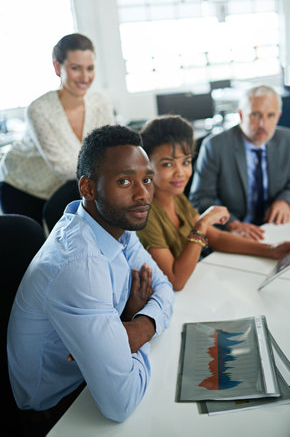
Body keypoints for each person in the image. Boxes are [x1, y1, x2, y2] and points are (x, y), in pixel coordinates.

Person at [7, 125, 174, 435]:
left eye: (147, 179)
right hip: (58, 408)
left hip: (89, 379)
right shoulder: (77, 263)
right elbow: (120, 405)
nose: (142, 194)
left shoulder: (119, 225)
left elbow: (164, 287)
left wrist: (141, 326)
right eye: (125, 181)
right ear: (88, 188)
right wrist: (129, 327)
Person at [137, 115, 290, 291]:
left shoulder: (174, 196)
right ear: (146, 165)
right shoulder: (145, 214)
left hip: (197, 284)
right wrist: (203, 223)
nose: (180, 173)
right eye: (167, 164)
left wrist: (272, 249)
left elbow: (216, 237)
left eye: (186, 162)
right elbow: (176, 280)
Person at [0, 33, 113, 225]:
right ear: (57, 67)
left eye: (90, 68)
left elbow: (110, 147)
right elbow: (63, 168)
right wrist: (111, 171)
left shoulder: (100, 103)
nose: (85, 77)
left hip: (64, 189)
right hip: (22, 187)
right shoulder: (39, 109)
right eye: (75, 68)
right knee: (34, 247)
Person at [189, 85, 290, 241]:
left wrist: (285, 201)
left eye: (270, 115)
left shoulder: (289, 139)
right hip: (233, 232)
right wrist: (231, 224)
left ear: (279, 116)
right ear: (241, 115)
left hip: (276, 226)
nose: (263, 124)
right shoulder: (215, 146)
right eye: (255, 115)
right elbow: (200, 199)